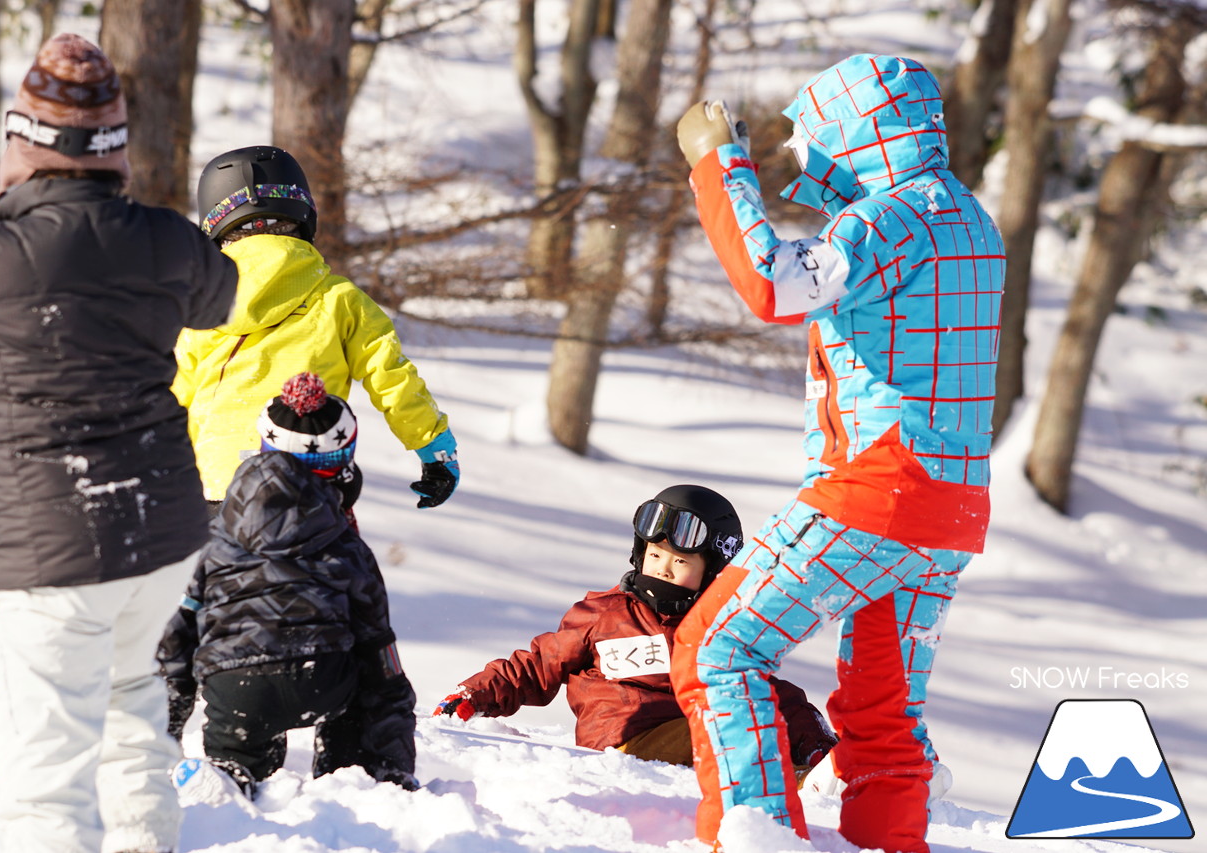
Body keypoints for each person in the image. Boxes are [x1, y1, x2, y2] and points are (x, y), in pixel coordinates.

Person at [668, 54, 1005, 853]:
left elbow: (774, 285)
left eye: (816, 140)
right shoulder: (966, 216)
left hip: (876, 490)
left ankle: (756, 838)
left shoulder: (893, 218)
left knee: (717, 648)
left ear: (859, 135)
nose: (807, 162)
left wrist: (721, 167)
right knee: (884, 710)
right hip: (951, 510)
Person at [0, 32, 238, 853]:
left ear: (22, 146)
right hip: (162, 533)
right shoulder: (167, 240)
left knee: (42, 767)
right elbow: (219, 293)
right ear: (115, 151)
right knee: (128, 688)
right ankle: (143, 841)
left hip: (52, 543)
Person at [434, 485, 838, 776]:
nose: (662, 567)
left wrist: (808, 734)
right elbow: (535, 666)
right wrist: (475, 696)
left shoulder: (716, 630)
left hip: (692, 736)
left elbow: (765, 691)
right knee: (725, 725)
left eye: (680, 562)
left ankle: (824, 768)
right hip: (624, 742)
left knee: (769, 702)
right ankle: (798, 784)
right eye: (655, 554)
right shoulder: (603, 615)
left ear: (712, 574)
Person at [158, 372, 418, 799]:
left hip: (236, 683)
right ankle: (354, 782)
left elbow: (179, 635)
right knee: (359, 686)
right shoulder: (346, 544)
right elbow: (380, 657)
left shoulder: (218, 533)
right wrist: (395, 766)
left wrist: (160, 735)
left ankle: (231, 780)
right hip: (325, 678)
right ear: (341, 468)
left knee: (241, 740)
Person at [174, 145, 459, 516]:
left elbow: (174, 395)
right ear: (303, 215)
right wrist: (434, 447)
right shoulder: (340, 300)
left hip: (217, 483)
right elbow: (391, 377)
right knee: (329, 571)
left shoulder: (201, 307)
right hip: (311, 479)